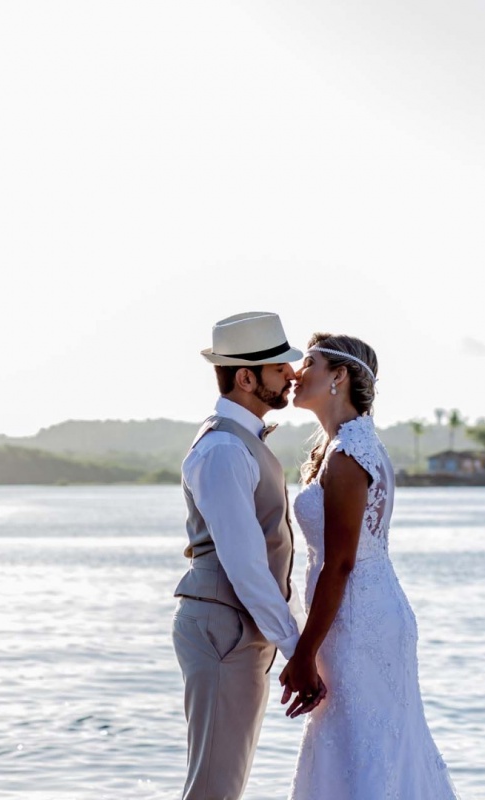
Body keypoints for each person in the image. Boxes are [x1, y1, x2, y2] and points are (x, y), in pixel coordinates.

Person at [282, 332, 459, 799]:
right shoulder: (349, 445)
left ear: (338, 376)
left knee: (366, 747)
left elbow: (340, 564)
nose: (296, 373)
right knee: (360, 747)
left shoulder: (348, 455)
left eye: (310, 363)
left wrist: (304, 652)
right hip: (357, 614)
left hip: (359, 621)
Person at [173, 312, 325, 800]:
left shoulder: (240, 441)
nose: (291, 374)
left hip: (236, 628)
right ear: (245, 378)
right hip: (224, 630)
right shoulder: (223, 449)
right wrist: (296, 649)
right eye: (279, 368)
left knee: (223, 783)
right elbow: (245, 566)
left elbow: (266, 562)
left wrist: (296, 641)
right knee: (214, 789)